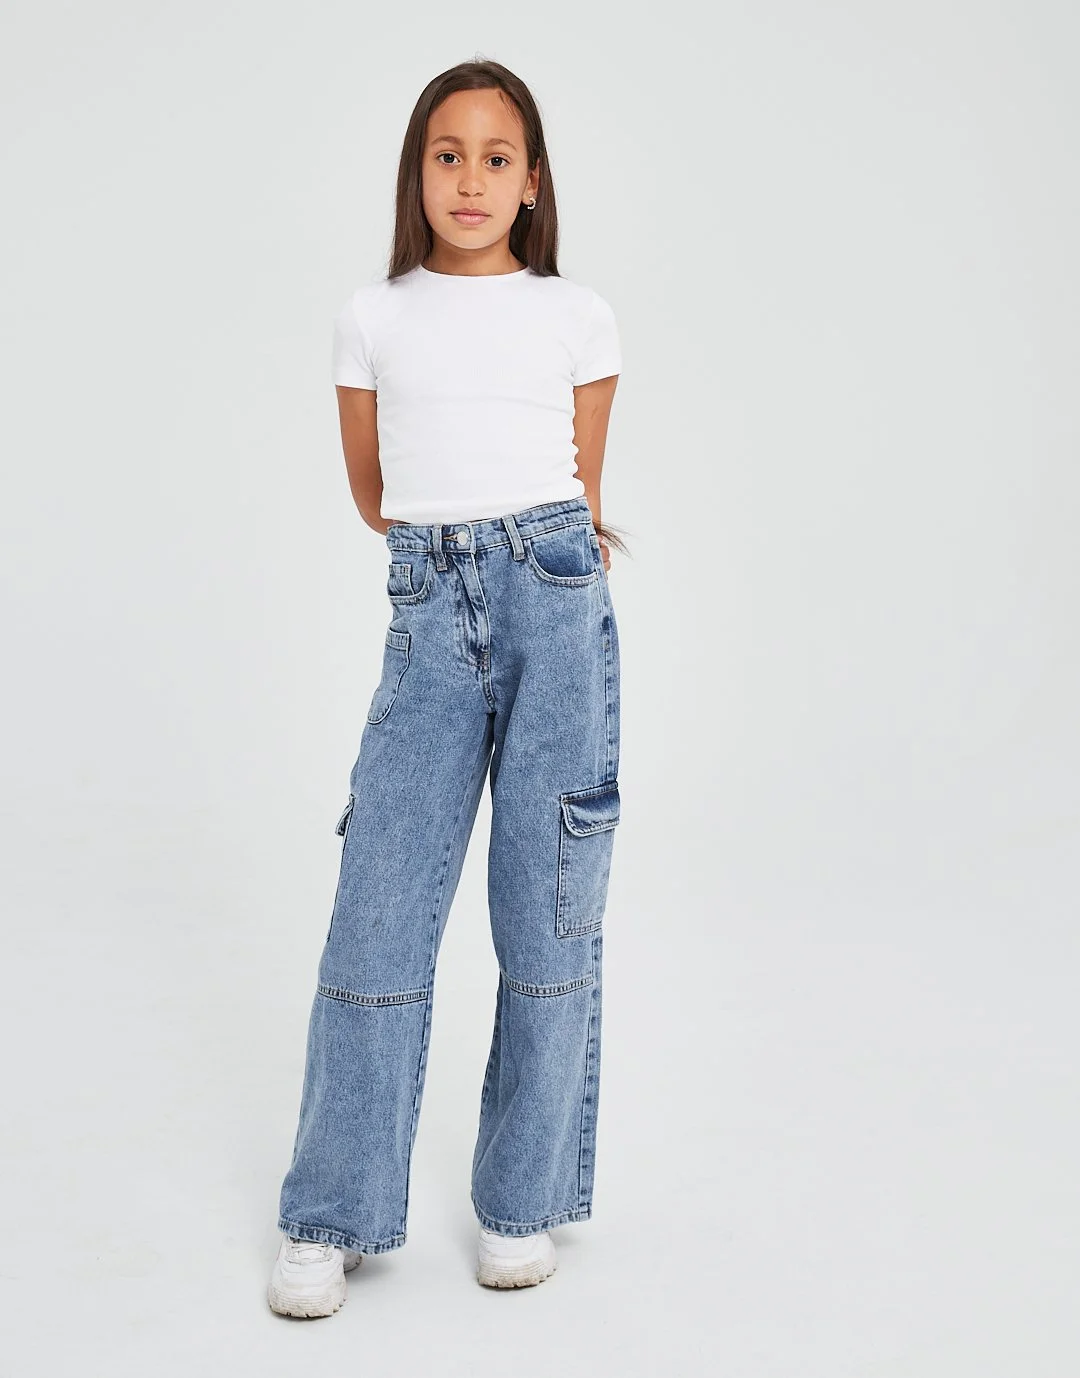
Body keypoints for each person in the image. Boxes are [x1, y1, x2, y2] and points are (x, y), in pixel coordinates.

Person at [267, 57, 625, 1318]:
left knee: (548, 908)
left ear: (532, 184)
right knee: (378, 910)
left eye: (496, 157)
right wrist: (453, 550)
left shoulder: (578, 315)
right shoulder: (372, 317)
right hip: (429, 609)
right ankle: (332, 1210)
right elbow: (378, 496)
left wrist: (526, 556)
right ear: (417, 174)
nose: (470, 178)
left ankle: (522, 1200)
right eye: (447, 154)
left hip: (556, 607)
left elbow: (578, 485)